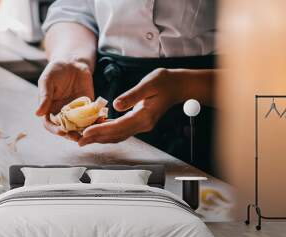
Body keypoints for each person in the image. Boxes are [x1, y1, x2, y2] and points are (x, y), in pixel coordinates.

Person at [36, 0, 217, 173]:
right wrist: (72, 59)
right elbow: (73, 8)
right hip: (109, 88)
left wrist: (185, 86)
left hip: (216, 116)